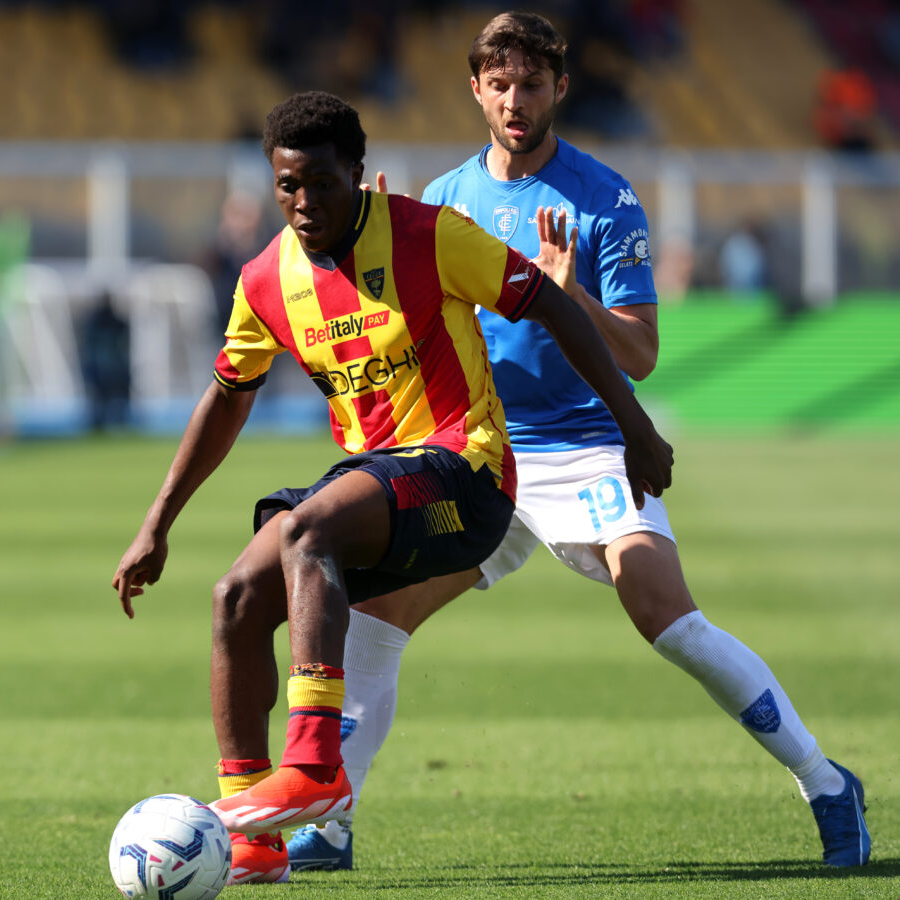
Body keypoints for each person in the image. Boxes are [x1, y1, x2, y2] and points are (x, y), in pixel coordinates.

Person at [285, 11, 871, 875]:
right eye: (499, 84)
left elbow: (637, 352)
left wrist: (570, 294)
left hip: (587, 445)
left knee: (664, 619)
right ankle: (330, 828)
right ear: (476, 90)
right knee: (375, 619)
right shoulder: (443, 201)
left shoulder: (603, 199)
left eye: (531, 84)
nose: (514, 102)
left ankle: (824, 782)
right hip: (482, 450)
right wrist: (358, 241)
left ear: (560, 87)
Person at [111, 90, 674, 885]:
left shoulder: (429, 235)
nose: (304, 204)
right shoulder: (266, 279)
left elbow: (554, 307)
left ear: (357, 173)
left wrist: (634, 428)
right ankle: (252, 839)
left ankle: (312, 766)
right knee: (235, 596)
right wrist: (156, 523)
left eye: (321, 184)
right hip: (375, 486)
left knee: (308, 529)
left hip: (466, 476)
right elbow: (226, 396)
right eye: (286, 187)